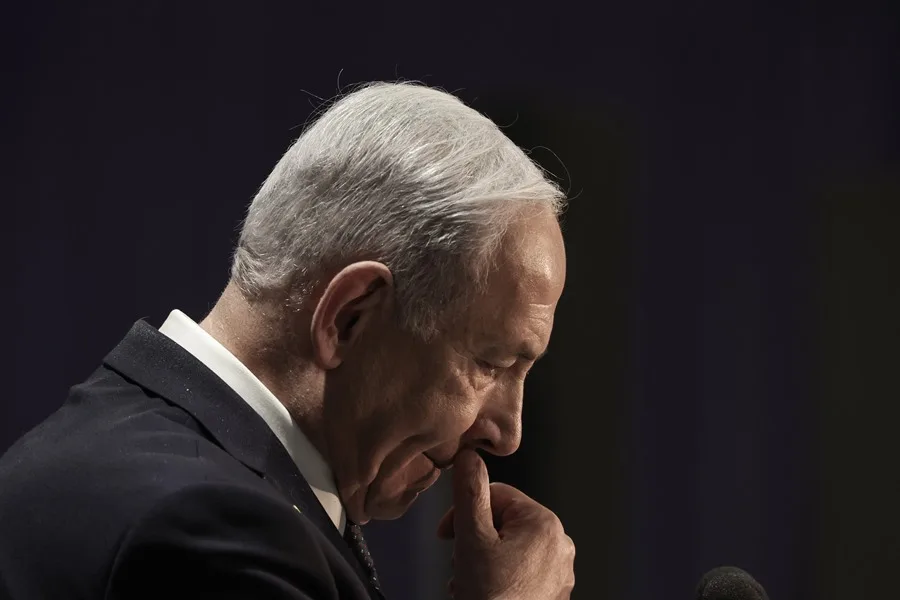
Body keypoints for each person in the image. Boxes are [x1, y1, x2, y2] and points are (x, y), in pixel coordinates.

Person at [0, 82, 575, 599]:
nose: (508, 434)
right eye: (491, 364)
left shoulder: (116, 445)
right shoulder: (209, 530)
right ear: (349, 318)